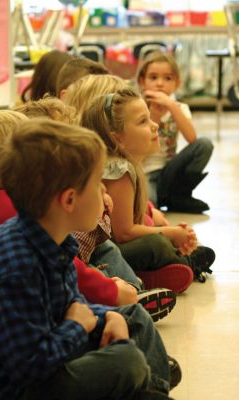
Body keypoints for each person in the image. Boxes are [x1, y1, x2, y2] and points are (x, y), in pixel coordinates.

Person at [0, 118, 181, 400]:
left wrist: (105, 316)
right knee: (126, 363)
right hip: (19, 388)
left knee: (132, 318)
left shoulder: (56, 241)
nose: (104, 193)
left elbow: (72, 306)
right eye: (98, 184)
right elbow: (30, 367)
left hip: (54, 354)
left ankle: (150, 389)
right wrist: (78, 326)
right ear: (69, 200)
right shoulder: (15, 266)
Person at [13, 94, 177, 320]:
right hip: (78, 267)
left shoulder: (67, 179)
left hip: (87, 252)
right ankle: (130, 295)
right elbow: (118, 233)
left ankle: (134, 291)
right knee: (143, 246)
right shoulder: (114, 169)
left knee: (108, 249)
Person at [81, 87, 215, 282]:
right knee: (155, 244)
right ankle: (180, 266)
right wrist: (170, 234)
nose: (154, 126)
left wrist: (174, 234)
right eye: (143, 121)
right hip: (107, 256)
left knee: (159, 238)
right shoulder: (119, 170)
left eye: (150, 118)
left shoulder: (127, 166)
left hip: (119, 251)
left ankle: (173, 264)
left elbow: (134, 219)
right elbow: (124, 233)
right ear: (117, 138)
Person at [136, 50, 214, 213]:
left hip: (170, 171)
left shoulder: (180, 108)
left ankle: (180, 195)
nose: (160, 83)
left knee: (204, 145)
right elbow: (140, 147)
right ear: (142, 82)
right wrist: (154, 116)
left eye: (167, 78)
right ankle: (172, 200)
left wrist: (172, 106)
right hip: (146, 173)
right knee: (150, 207)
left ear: (177, 84)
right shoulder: (138, 108)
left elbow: (192, 139)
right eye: (153, 77)